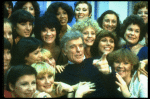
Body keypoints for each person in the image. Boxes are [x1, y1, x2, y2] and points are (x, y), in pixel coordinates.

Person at [55, 30, 124, 98]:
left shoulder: (98, 62)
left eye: (81, 46)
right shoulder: (60, 73)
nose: (78, 50)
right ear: (64, 51)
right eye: (73, 47)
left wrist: (108, 73)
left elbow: (116, 89)